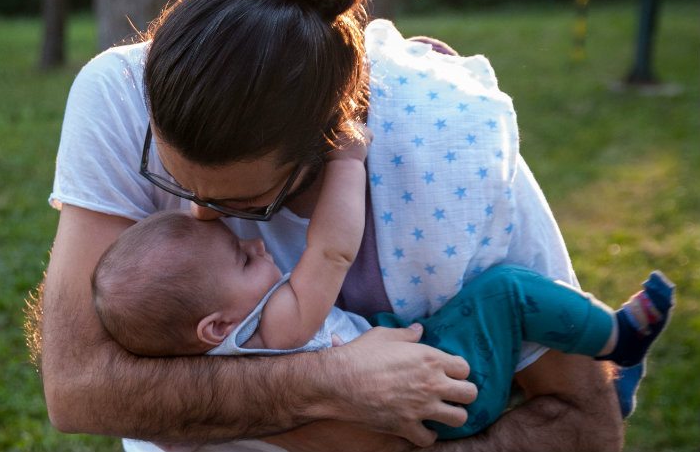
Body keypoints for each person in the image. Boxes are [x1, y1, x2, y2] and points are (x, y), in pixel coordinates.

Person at [41, 0, 629, 451]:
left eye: (246, 205)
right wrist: (336, 384)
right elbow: (77, 390)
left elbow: (585, 419)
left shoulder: (449, 151)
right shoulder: (120, 96)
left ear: (335, 139)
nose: (200, 213)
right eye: (173, 180)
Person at [90, 136, 674, 444]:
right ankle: (617, 339)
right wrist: (348, 158)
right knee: (508, 292)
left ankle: (614, 383)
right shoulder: (274, 326)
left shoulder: (215, 340)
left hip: (421, 381)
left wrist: (205, 201)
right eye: (245, 258)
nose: (260, 245)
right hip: (446, 389)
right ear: (216, 326)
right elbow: (333, 250)